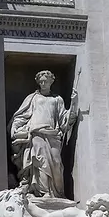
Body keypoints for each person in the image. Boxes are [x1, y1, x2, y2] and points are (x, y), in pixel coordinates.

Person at [9, 70, 78, 198]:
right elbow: (21, 115)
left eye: (45, 81)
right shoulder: (32, 98)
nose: (43, 83)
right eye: (40, 81)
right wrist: (15, 127)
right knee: (40, 162)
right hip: (36, 133)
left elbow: (64, 120)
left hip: (53, 135)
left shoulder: (57, 99)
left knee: (56, 162)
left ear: (51, 81)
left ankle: (57, 193)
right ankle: (43, 192)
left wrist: (74, 104)